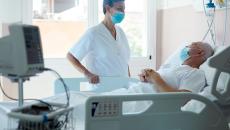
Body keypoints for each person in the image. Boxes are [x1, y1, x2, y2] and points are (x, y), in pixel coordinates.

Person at [67, 0, 130, 84]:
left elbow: (124, 62)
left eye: (123, 9)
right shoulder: (93, 33)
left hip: (124, 89)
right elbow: (71, 56)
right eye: (119, 9)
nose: (123, 13)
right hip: (102, 89)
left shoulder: (121, 32)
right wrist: (88, 74)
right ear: (108, 8)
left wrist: (130, 82)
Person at [139, 42, 214, 93]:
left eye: (191, 45)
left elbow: (179, 101)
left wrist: (156, 78)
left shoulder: (195, 73)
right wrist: (147, 76)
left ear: (200, 53)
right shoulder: (173, 67)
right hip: (133, 92)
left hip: (137, 102)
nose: (186, 47)